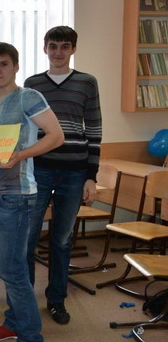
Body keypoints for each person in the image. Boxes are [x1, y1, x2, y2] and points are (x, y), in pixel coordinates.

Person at [0, 42, 64, 342]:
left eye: (3, 64)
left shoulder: (28, 97)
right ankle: (14, 322)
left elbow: (56, 136)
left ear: (15, 67)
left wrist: (22, 155)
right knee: (7, 265)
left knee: (13, 269)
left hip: (18, 195)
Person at [24, 26, 102, 325]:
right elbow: (25, 129)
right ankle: (25, 300)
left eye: (65, 46)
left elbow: (94, 128)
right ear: (45, 48)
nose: (58, 52)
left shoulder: (87, 83)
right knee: (28, 237)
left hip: (74, 172)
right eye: (53, 46)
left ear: (73, 49)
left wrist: (91, 175)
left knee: (62, 239)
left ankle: (56, 300)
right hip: (39, 170)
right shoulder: (32, 84)